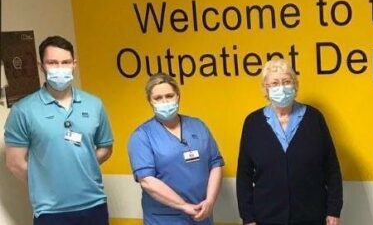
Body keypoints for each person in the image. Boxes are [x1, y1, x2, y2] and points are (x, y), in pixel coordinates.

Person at [4, 35, 114, 225]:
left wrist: (81, 167)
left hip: (93, 204)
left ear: (74, 64)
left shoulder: (94, 104)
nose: (60, 68)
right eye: (52, 63)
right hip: (51, 210)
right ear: (41, 66)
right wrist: (47, 180)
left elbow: (105, 147)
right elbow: (15, 163)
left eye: (65, 62)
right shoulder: (23, 110)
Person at [236, 58, 343, 225]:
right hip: (266, 217)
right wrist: (248, 218)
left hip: (312, 215)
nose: (281, 87)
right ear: (265, 88)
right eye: (274, 83)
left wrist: (334, 210)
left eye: (287, 82)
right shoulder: (253, 123)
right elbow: (244, 175)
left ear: (295, 85)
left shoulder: (314, 118)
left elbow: (332, 168)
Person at [128, 73, 224, 225]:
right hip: (165, 218)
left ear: (178, 96)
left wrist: (210, 201)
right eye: (158, 98)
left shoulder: (197, 125)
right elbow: (147, 181)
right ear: (150, 101)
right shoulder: (142, 136)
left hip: (202, 213)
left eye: (169, 95)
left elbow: (215, 164)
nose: (165, 101)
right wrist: (184, 206)